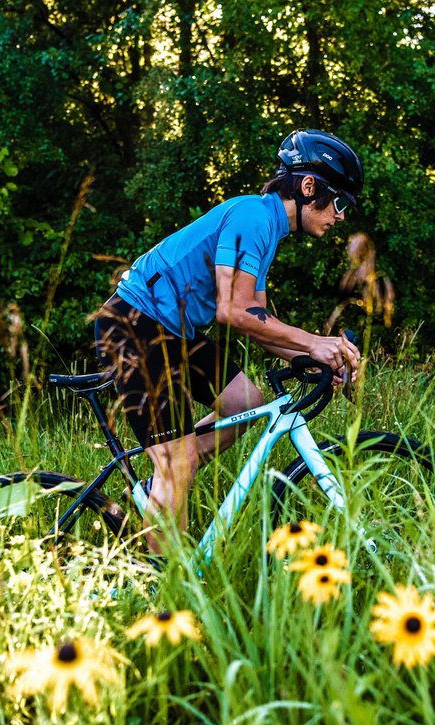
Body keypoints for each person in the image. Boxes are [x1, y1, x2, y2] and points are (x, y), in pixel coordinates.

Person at [94, 129, 363, 554]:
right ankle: (163, 586)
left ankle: (158, 485)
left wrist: (316, 359)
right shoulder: (252, 218)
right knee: (177, 461)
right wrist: (315, 342)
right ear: (309, 187)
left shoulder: (268, 228)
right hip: (134, 324)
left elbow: (256, 322)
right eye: (340, 202)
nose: (341, 216)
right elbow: (232, 312)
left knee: (246, 403)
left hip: (173, 332)